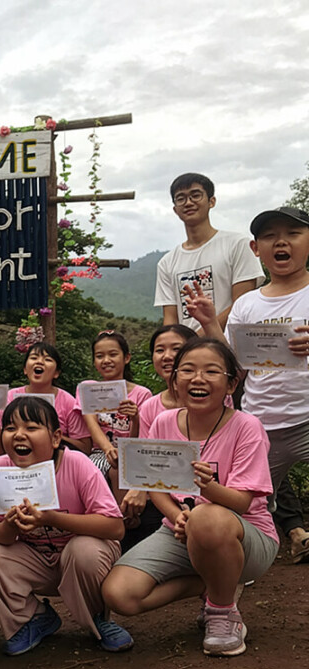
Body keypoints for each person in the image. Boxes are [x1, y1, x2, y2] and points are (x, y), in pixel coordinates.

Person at [102, 339, 277, 656]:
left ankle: (222, 612)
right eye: (188, 370)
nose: (198, 379)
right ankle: (213, 584)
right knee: (119, 595)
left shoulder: (246, 427)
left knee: (207, 518)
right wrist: (177, 516)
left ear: (231, 384)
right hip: (180, 531)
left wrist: (205, 488)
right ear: (174, 380)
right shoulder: (164, 422)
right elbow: (156, 486)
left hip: (245, 536)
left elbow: (242, 503)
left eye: (211, 371)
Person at [183, 206, 309, 561]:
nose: (281, 242)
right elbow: (235, 366)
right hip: (258, 424)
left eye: (293, 234)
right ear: (256, 248)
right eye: (269, 236)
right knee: (244, 505)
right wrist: (211, 324)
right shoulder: (247, 303)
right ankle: (235, 572)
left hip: (306, 420)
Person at [0, 397, 130, 655]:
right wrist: (10, 526)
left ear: (56, 437)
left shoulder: (77, 464)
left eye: (31, 427)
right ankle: (34, 617)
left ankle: (98, 618)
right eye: (10, 428)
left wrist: (52, 518)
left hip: (82, 560)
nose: (19, 435)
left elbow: (115, 528)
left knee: (84, 550)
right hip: (37, 560)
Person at [121, 325, 198, 550]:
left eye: (176, 349)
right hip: (163, 492)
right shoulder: (149, 406)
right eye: (159, 350)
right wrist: (139, 488)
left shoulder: (210, 399)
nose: (167, 356)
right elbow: (146, 459)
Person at [154, 172, 262, 331]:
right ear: (175, 209)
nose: (188, 202)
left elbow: (242, 304)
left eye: (195, 195)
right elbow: (170, 317)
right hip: (187, 346)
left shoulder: (238, 244)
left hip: (230, 343)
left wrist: (198, 338)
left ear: (211, 201)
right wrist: (174, 343)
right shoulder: (167, 263)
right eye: (181, 198)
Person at [77, 331, 152, 503]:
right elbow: (91, 424)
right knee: (91, 468)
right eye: (99, 356)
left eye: (113, 354)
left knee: (121, 467)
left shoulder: (142, 394)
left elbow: (139, 440)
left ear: (126, 358)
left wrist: (135, 418)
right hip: (99, 452)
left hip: (131, 453)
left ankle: (125, 514)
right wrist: (108, 449)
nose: (106, 360)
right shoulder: (88, 388)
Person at [8, 342, 90, 453]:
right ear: (25, 369)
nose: (39, 362)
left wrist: (54, 436)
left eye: (47, 359)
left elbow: (85, 448)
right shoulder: (10, 397)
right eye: (34, 358)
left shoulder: (68, 402)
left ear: (56, 373)